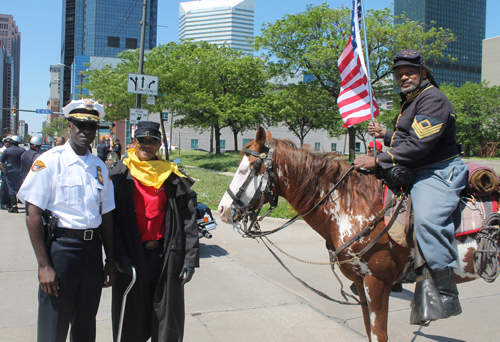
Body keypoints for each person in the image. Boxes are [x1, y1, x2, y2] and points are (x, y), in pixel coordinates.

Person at [354, 49, 467, 324]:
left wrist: (378, 159)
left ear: (423, 73)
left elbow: (420, 145)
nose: (404, 77)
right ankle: (391, 270)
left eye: (410, 72)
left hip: (438, 171)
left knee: (427, 220)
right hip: (414, 167)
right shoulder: (413, 101)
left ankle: (446, 293)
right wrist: (386, 134)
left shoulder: (434, 99)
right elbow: (410, 137)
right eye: (399, 73)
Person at [17, 99, 116, 342]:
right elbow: (33, 214)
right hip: (61, 251)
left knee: (85, 323)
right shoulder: (49, 161)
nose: (86, 131)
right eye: (80, 125)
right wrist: (44, 265)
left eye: (91, 127)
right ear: (69, 126)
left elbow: (107, 216)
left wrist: (110, 259)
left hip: (92, 252)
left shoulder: (99, 167)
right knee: (53, 325)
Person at [110, 121, 199, 342]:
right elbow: (110, 221)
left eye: (152, 141)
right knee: (131, 319)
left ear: (159, 145)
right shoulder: (119, 175)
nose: (147, 145)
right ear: (134, 142)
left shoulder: (171, 175)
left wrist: (189, 259)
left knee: (166, 319)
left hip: (165, 256)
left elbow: (188, 219)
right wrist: (118, 256)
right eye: (142, 140)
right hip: (131, 255)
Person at [0, 135, 25, 213]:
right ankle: (27, 205)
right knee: (19, 188)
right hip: (19, 172)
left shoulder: (7, 151)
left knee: (11, 189)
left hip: (9, 172)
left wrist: (4, 171)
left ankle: (14, 206)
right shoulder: (23, 150)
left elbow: (1, 162)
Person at [0, 137, 11, 210]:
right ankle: (3, 203)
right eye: (7, 142)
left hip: (9, 170)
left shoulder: (8, 150)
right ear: (4, 143)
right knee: (4, 187)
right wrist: (3, 171)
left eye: (9, 142)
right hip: (4, 170)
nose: (8, 144)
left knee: (8, 187)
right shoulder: (2, 150)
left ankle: (8, 203)